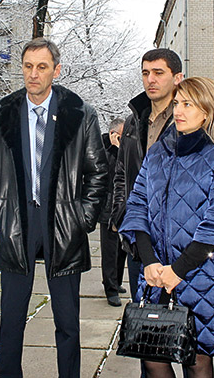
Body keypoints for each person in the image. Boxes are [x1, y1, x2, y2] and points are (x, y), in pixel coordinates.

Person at [0, 37, 108, 378]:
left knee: (67, 322)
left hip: (62, 224)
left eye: (42, 67)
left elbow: (98, 172)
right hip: (16, 224)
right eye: (28, 66)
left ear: (56, 70)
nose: (33, 74)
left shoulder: (80, 113)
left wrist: (81, 218)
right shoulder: (4, 113)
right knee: (11, 320)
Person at [120, 77, 214, 378]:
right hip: (157, 274)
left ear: (208, 110)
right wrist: (149, 261)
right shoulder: (158, 153)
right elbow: (137, 205)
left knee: (196, 361)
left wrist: (178, 270)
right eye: (177, 103)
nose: (178, 110)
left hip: (202, 276)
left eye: (188, 104)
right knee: (152, 358)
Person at [111, 48, 184, 301]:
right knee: (142, 313)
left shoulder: (186, 119)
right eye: (145, 73)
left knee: (178, 316)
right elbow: (121, 172)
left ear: (177, 78)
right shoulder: (134, 121)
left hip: (177, 238)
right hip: (138, 236)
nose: (150, 79)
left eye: (158, 73)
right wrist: (121, 215)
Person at [99, 117, 127, 307]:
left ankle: (116, 281)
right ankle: (110, 288)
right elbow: (111, 171)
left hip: (122, 203)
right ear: (113, 134)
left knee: (122, 248)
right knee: (109, 249)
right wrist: (116, 149)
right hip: (108, 205)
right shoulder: (102, 148)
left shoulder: (122, 149)